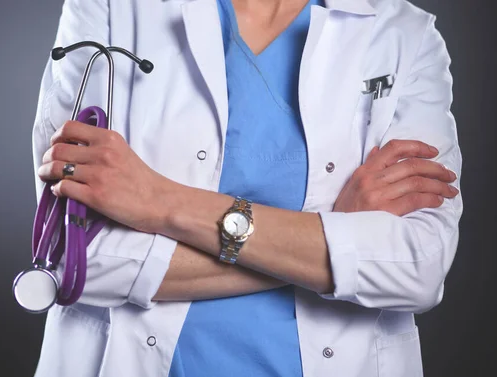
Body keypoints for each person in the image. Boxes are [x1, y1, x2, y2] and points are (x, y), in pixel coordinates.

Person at [31, 0, 463, 376]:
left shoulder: (406, 35)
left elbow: (417, 266)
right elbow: (77, 260)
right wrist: (327, 237)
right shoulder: (110, 8)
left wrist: (161, 200)